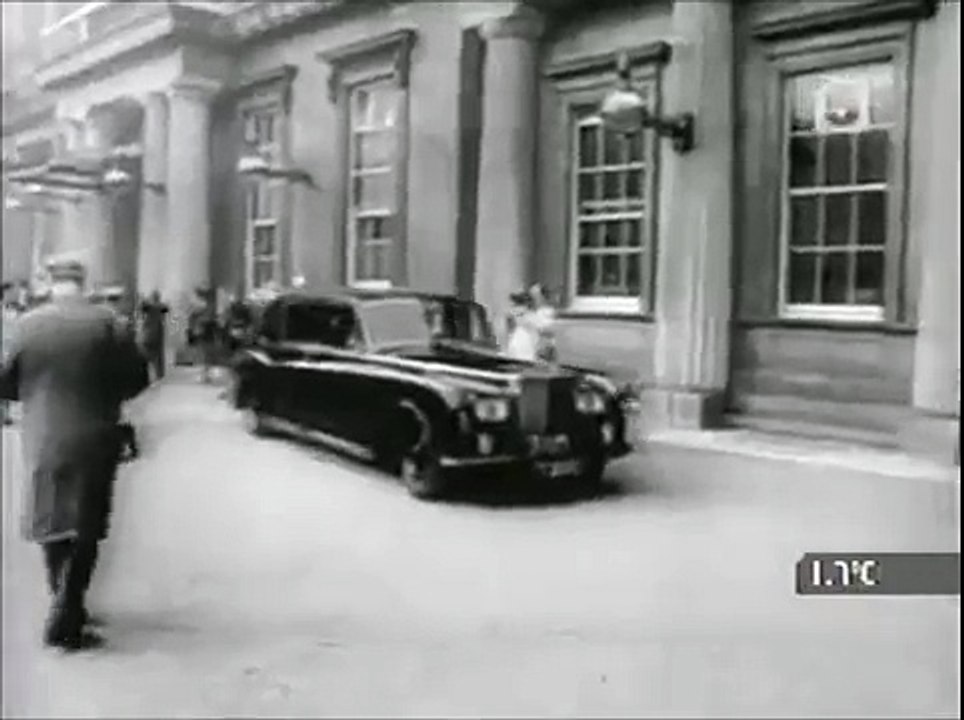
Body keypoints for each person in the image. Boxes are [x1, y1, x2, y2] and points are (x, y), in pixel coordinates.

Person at [0, 259, 149, 652]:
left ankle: (63, 602)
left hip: (44, 436)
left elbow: (5, 381)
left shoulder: (26, 325)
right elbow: (138, 379)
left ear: (50, 282)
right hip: (96, 435)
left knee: (51, 521)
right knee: (87, 524)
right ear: (83, 283)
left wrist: (34, 397)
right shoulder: (108, 323)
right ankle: (68, 609)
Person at [505, 284, 557, 362]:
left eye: (516, 305)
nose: (512, 308)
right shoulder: (521, 321)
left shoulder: (534, 318)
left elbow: (548, 333)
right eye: (513, 305)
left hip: (526, 359)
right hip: (516, 357)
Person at [187, 286, 219, 384]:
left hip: (205, 333)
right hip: (207, 333)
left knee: (205, 354)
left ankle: (206, 374)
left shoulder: (204, 306)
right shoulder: (207, 306)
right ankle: (206, 374)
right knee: (205, 354)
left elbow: (197, 318)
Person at [138, 290, 169, 382]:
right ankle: (159, 376)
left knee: (148, 356)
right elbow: (165, 308)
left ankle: (149, 376)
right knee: (158, 357)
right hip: (156, 335)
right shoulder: (159, 307)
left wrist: (144, 300)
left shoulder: (152, 307)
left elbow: (143, 307)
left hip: (149, 335)